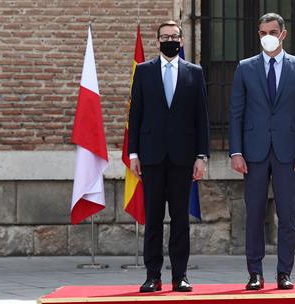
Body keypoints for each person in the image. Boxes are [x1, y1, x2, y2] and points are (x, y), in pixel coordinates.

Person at [229, 13, 295, 290]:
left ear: (283, 34)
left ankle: (284, 272)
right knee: (253, 214)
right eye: (262, 32)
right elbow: (236, 113)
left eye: (272, 31)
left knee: (287, 216)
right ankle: (255, 273)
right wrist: (236, 152)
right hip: (253, 153)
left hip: (288, 153)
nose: (267, 36)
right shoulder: (245, 68)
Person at [128, 20, 209, 293]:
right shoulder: (143, 71)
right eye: (165, 37)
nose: (170, 40)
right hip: (151, 157)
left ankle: (180, 276)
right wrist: (133, 153)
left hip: (183, 158)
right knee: (152, 219)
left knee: (180, 220)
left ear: (182, 41)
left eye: (174, 36)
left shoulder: (194, 73)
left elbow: (202, 118)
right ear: (158, 41)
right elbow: (135, 115)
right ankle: (153, 275)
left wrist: (201, 156)